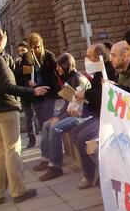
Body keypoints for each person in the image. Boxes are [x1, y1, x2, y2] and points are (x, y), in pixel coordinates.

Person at [0, 28, 49, 204]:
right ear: (1, 40)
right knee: (12, 149)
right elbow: (7, 86)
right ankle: (18, 191)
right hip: (5, 108)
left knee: (0, 150)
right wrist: (33, 91)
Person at [32, 53, 91, 181]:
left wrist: (60, 118)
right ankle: (46, 159)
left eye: (59, 66)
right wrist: (59, 116)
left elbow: (77, 106)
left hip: (82, 115)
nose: (57, 69)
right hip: (74, 112)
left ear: (67, 66)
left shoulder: (77, 79)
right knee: (47, 124)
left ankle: (55, 167)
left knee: (55, 128)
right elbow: (67, 104)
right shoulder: (70, 78)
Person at [70, 44, 116, 189]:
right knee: (75, 131)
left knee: (84, 137)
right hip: (97, 115)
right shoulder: (98, 73)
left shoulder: (109, 71)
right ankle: (91, 172)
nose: (86, 59)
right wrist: (81, 100)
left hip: (107, 118)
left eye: (89, 56)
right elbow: (95, 95)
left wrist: (87, 94)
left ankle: (92, 175)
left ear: (98, 58)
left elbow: (105, 95)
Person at [22, 33, 60, 132]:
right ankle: (46, 139)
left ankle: (51, 136)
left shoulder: (48, 55)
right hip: (36, 92)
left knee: (48, 115)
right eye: (34, 48)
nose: (36, 50)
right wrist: (28, 82)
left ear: (41, 44)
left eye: (38, 47)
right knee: (40, 118)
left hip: (49, 90)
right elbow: (26, 76)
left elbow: (57, 70)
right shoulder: (27, 58)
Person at [14, 40, 39, 148]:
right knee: (29, 116)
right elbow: (15, 74)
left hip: (35, 91)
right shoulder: (18, 62)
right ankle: (31, 138)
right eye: (19, 51)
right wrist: (24, 70)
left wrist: (23, 70)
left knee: (37, 114)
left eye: (23, 50)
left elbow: (34, 70)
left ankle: (38, 132)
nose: (21, 53)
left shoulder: (31, 59)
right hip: (24, 92)